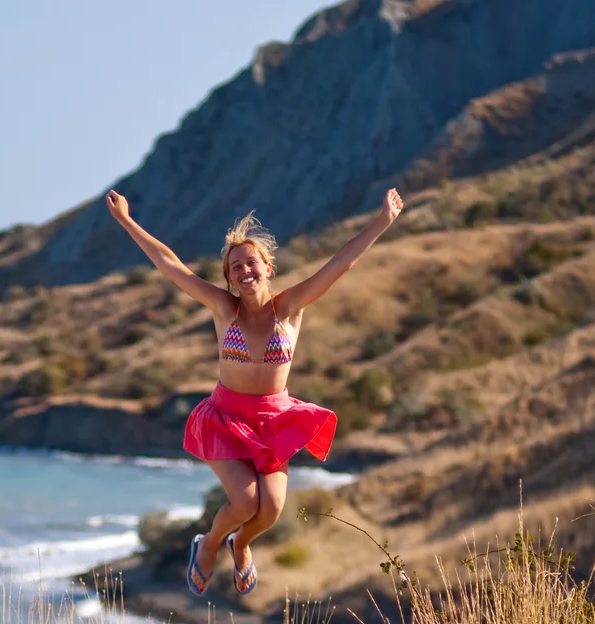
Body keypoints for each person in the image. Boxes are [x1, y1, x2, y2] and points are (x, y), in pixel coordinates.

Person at [105, 187, 404, 596]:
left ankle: (240, 544)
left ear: (267, 267)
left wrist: (383, 220)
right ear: (228, 278)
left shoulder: (290, 307)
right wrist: (127, 221)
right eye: (235, 268)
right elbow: (171, 266)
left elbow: (341, 263)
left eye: (251, 263)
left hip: (273, 421)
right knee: (245, 503)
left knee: (272, 509)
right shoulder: (224, 309)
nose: (244, 271)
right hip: (225, 419)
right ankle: (209, 543)